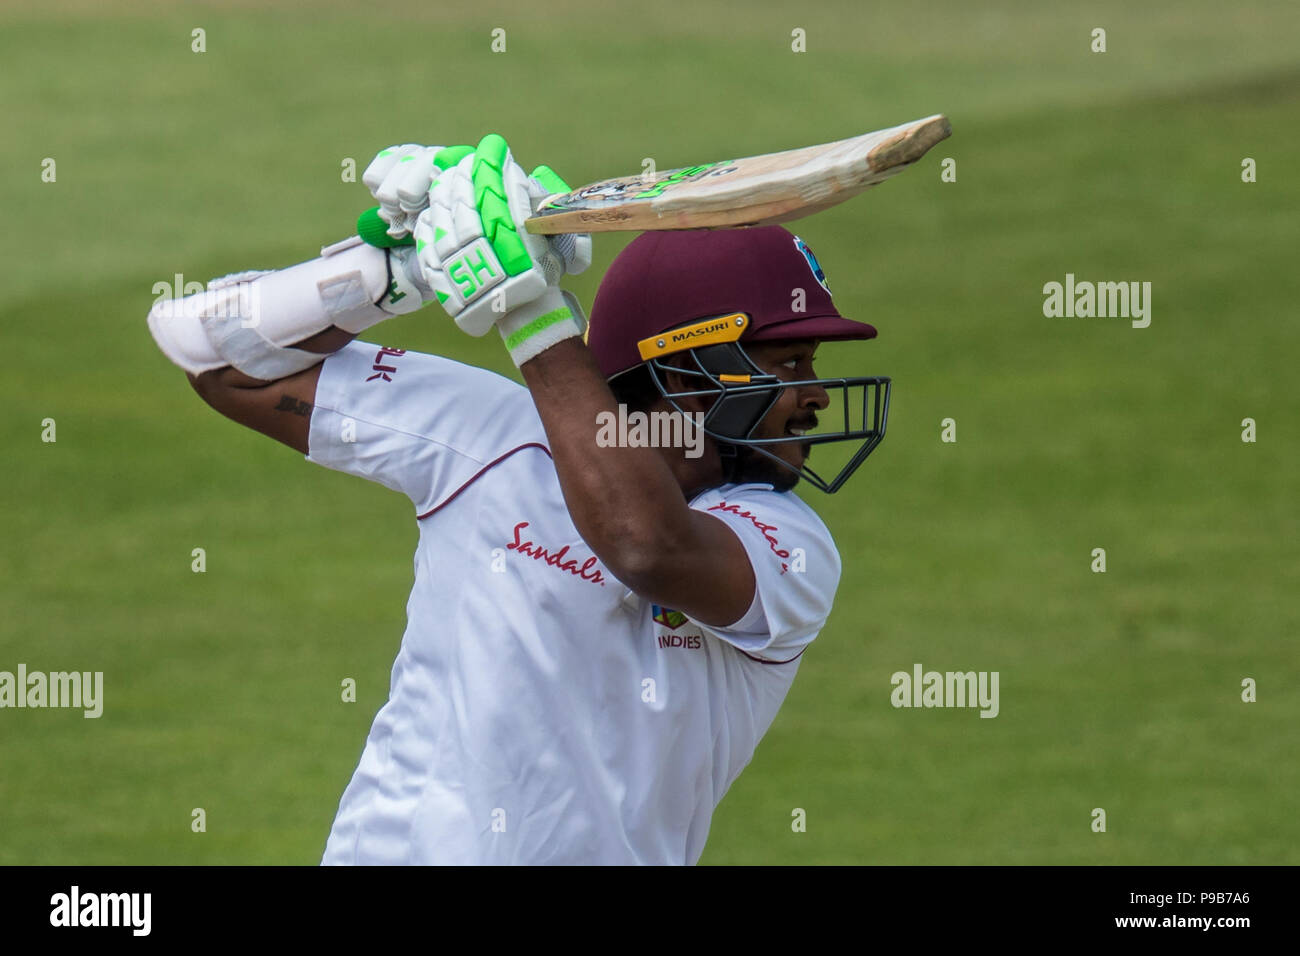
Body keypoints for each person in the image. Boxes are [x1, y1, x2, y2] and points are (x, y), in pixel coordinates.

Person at [147, 135, 890, 864]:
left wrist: (525, 310)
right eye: (790, 362)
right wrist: (391, 275)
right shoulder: (491, 433)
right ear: (689, 376)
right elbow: (213, 356)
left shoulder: (786, 543)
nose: (818, 394)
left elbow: (645, 545)